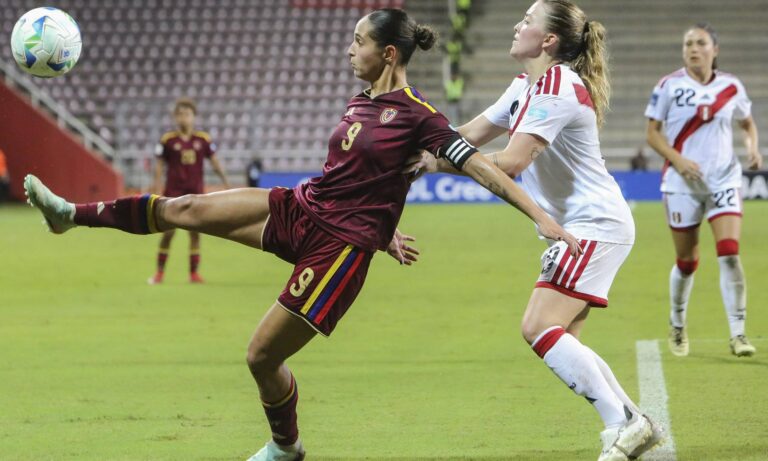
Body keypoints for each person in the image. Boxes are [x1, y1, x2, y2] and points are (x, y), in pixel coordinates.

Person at [24, 9, 580, 461]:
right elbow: (371, 178)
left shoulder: (419, 116)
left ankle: (285, 448)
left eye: (359, 42)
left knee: (260, 357)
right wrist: (387, 227)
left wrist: (539, 215)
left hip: (338, 250)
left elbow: (479, 166)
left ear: (389, 53)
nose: (349, 50)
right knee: (185, 207)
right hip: (300, 207)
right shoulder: (360, 101)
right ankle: (69, 214)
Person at [408, 1, 664, 459]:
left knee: (537, 326)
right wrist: (418, 148)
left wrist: (437, 163)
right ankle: (629, 421)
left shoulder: (557, 86)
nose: (517, 24)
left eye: (528, 21)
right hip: (587, 225)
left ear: (548, 40)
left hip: (593, 224)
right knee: (564, 338)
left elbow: (511, 162)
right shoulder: (523, 86)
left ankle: (625, 423)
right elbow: (465, 136)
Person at [645, 23, 762, 358]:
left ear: (715, 49)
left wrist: (753, 148)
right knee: (687, 261)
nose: (693, 49)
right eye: (688, 44)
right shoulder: (669, 85)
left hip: (724, 180)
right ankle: (677, 322)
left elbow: (747, 122)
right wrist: (678, 160)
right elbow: (652, 134)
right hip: (681, 183)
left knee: (729, 252)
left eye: (700, 43)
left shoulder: (731, 86)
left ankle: (738, 333)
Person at [150, 98, 230, 285]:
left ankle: (193, 274)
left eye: (187, 114)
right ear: (174, 117)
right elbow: (159, 165)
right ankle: (159, 273)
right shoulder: (167, 140)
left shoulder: (203, 139)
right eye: (180, 114)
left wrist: (226, 182)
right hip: (172, 193)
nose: (183, 118)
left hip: (196, 194)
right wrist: (156, 188)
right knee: (168, 233)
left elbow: (215, 162)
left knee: (195, 233)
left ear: (194, 116)